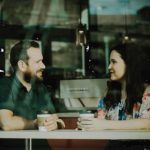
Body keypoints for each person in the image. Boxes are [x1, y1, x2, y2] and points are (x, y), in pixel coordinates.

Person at [77, 42, 150, 149]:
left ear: (129, 64)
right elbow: (101, 121)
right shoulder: (111, 93)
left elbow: (147, 124)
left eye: (113, 62)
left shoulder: (147, 91)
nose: (109, 67)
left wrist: (105, 125)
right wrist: (87, 124)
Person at [0, 40, 65, 150]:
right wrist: (35, 124)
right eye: (38, 62)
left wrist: (56, 124)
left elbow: (56, 120)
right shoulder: (4, 85)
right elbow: (6, 123)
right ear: (22, 65)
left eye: (42, 61)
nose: (43, 66)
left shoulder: (41, 88)